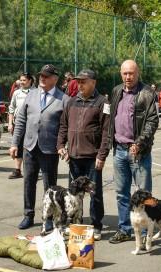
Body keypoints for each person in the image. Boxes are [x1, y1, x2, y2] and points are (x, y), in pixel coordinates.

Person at [9, 64, 69, 230]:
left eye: (47, 76)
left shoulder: (63, 99)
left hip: (49, 149)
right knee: (28, 182)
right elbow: (20, 120)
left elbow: (67, 126)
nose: (42, 78)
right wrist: (15, 143)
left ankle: (49, 217)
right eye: (41, 75)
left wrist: (65, 146)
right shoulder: (31, 95)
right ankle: (28, 215)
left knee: (50, 186)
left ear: (55, 79)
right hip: (29, 146)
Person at [106, 60, 159, 244]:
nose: (128, 77)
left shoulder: (147, 93)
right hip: (119, 150)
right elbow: (110, 119)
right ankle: (124, 229)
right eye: (125, 73)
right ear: (121, 74)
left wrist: (139, 144)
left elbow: (152, 122)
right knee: (121, 192)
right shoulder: (116, 91)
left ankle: (145, 233)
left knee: (143, 193)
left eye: (131, 73)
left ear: (138, 73)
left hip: (139, 152)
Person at [57, 69, 110, 241]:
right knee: (73, 194)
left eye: (83, 82)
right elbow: (63, 126)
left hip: (93, 157)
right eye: (78, 82)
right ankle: (74, 224)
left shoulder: (103, 102)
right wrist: (60, 145)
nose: (80, 85)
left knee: (94, 193)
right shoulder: (71, 101)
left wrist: (101, 155)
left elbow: (106, 131)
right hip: (73, 157)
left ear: (93, 83)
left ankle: (96, 226)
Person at [8, 72, 34, 179]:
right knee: (17, 146)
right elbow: (11, 108)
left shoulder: (35, 93)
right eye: (21, 80)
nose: (22, 82)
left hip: (31, 124)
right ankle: (17, 170)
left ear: (30, 81)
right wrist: (10, 123)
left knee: (31, 148)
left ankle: (31, 171)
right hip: (18, 123)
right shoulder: (16, 93)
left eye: (25, 80)